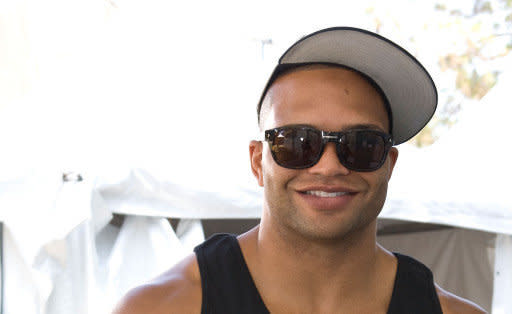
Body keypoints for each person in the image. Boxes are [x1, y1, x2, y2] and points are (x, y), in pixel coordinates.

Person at [113, 27, 486, 314]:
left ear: (388, 165)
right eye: (296, 142)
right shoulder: (164, 307)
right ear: (259, 162)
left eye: (361, 144)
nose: (329, 165)